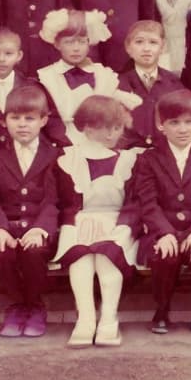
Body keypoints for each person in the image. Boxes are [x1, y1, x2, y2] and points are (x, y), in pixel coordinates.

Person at [132, 90, 191, 334]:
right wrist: (164, 232)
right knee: (166, 255)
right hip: (163, 229)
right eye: (174, 123)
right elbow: (148, 202)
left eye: (188, 122)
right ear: (160, 125)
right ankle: (162, 308)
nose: (182, 129)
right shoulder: (148, 160)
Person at [53, 95, 141, 347]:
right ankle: (86, 317)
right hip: (80, 222)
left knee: (106, 257)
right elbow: (64, 202)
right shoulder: (68, 159)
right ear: (87, 127)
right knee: (81, 259)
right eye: (105, 127)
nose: (113, 134)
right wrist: (73, 223)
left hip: (117, 223)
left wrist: (122, 227)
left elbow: (134, 203)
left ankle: (109, 318)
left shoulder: (128, 160)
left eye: (117, 127)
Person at [0, 85, 60, 338]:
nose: (22, 125)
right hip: (6, 224)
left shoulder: (55, 155)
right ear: (4, 122)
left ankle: (35, 305)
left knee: (34, 250)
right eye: (15, 118)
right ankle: (16, 305)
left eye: (30, 118)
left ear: (43, 120)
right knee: (2, 250)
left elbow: (54, 200)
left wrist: (40, 228)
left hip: (40, 228)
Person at [36, 8, 141, 145]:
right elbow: (50, 123)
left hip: (103, 144)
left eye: (81, 41)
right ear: (57, 44)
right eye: (69, 42)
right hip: (64, 146)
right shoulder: (47, 77)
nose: (76, 48)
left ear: (89, 43)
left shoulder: (103, 75)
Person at [117, 20, 186, 149]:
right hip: (128, 152)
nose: (146, 48)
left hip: (163, 152)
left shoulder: (174, 83)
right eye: (139, 42)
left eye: (153, 42)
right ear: (128, 47)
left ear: (163, 47)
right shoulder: (117, 84)